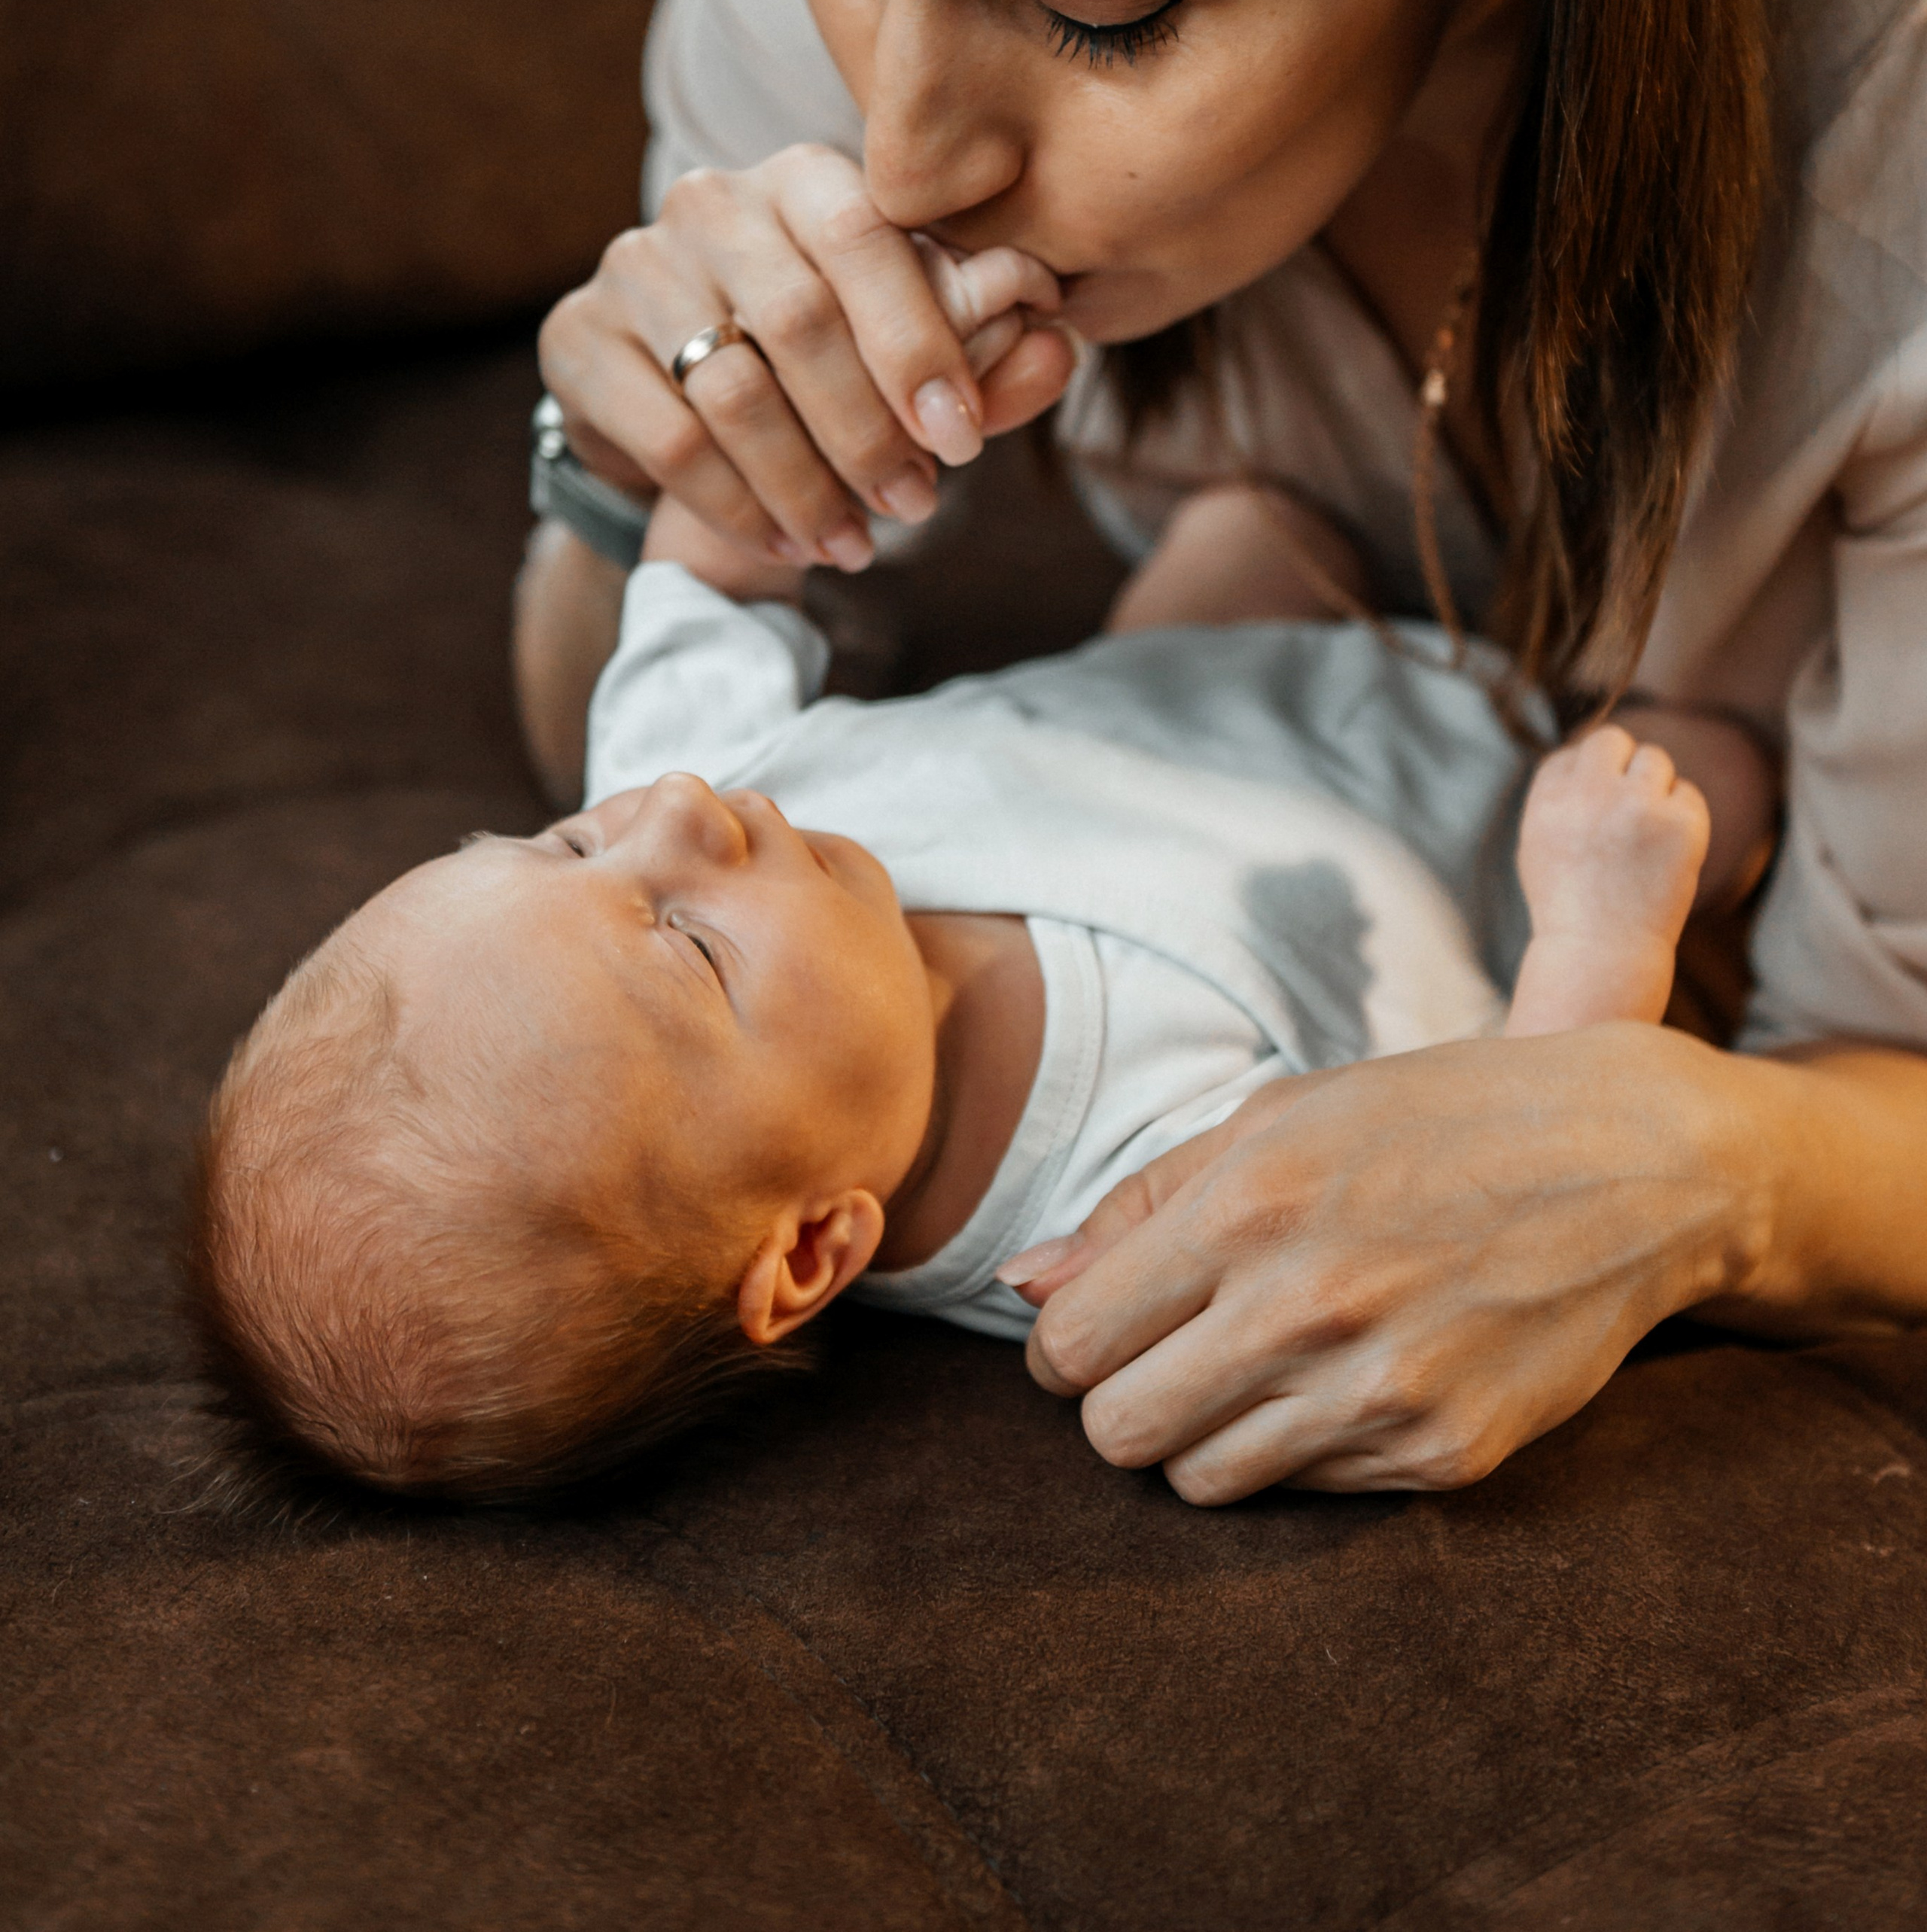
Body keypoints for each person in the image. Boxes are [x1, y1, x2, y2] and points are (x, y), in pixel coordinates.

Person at [519, 0, 1927, 1501]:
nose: (906, 142)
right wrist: (639, 470)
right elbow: (597, 757)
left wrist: (1705, 1163)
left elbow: (1870, 1078)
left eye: (1103, 12)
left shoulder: (1889, 145)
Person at [191, 482, 1770, 1501]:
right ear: (814, 1246)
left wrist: (796, 423)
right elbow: (1504, 1176)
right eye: (686, 941)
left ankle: (1221, 614)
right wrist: (1598, 930)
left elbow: (714, 547)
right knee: (1713, 777)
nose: (679, 808)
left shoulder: (703, 801)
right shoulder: (1133, 1206)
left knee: (1242, 522)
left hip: (1208, 701)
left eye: (558, 839)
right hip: (1489, 826)